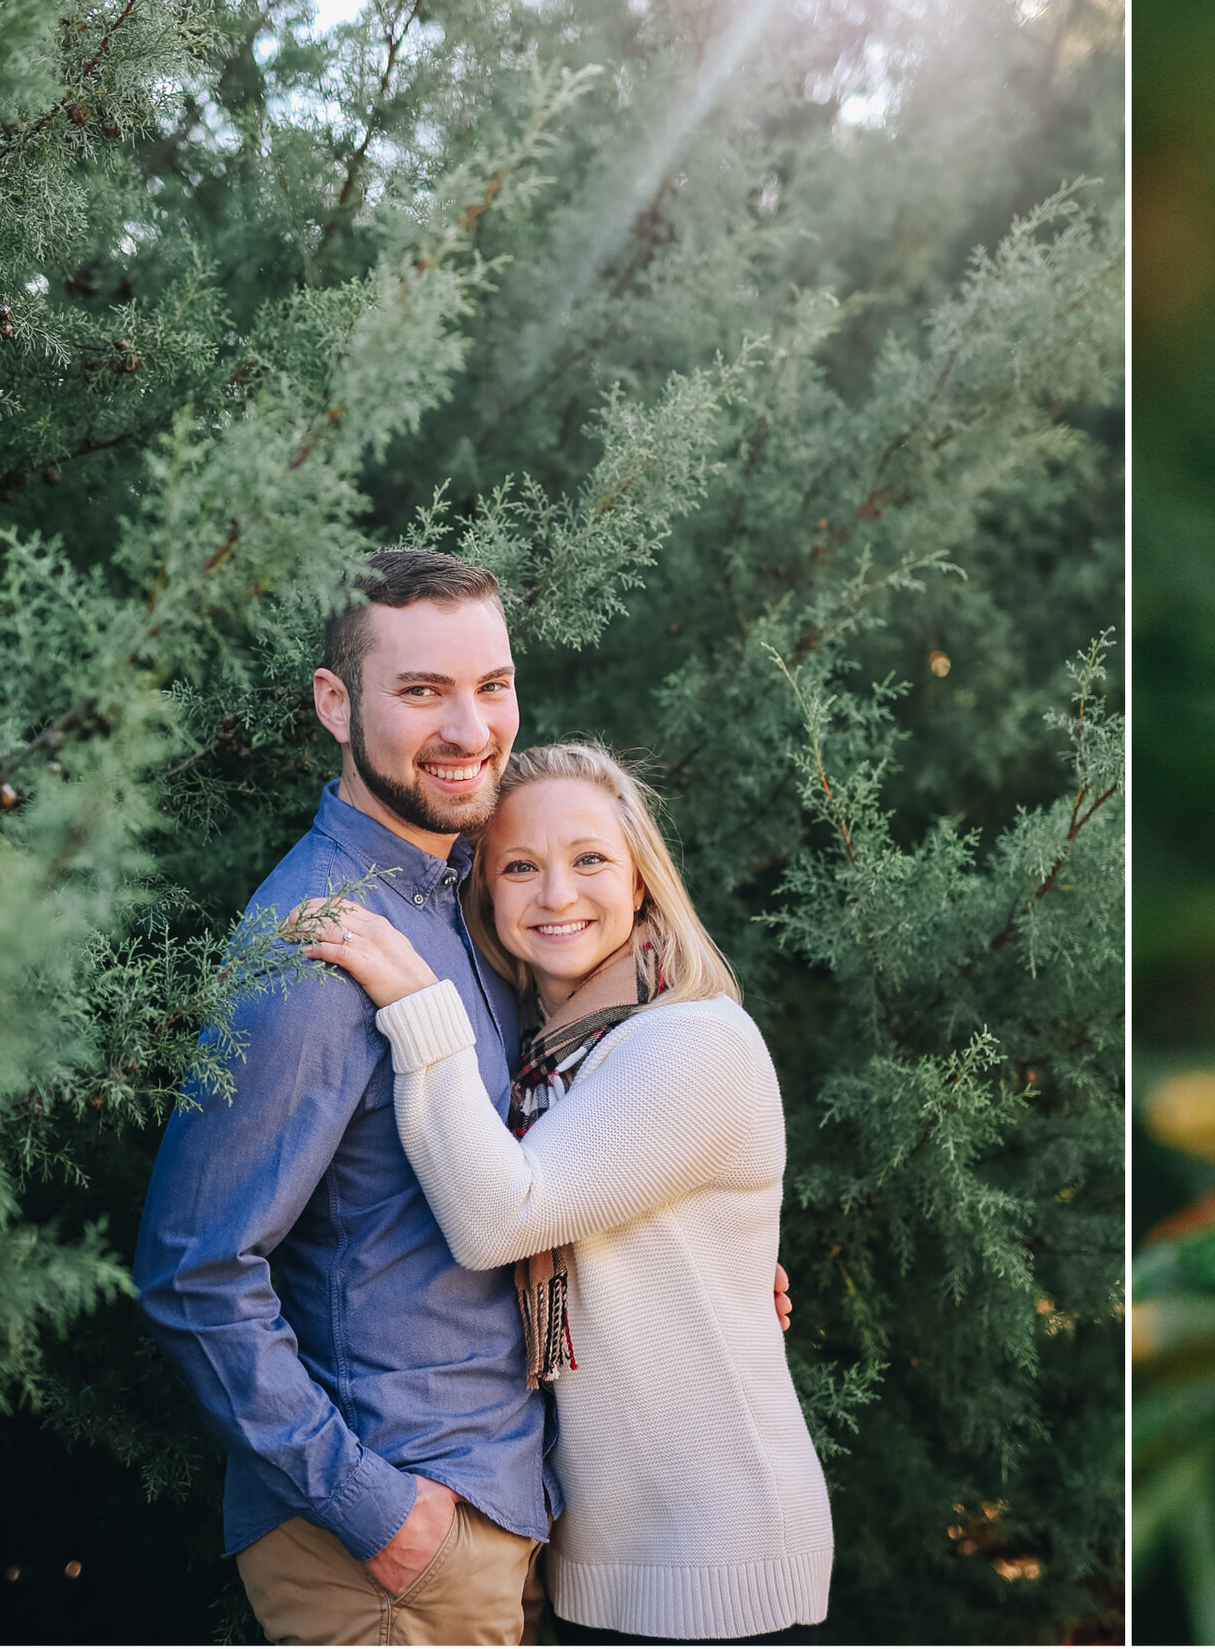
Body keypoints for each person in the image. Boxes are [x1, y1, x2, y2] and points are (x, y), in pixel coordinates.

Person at [133, 549, 789, 1645]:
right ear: (336, 704)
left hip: (496, 1516)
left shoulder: (470, 903)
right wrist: (373, 1510)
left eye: (492, 685)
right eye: (422, 689)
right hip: (390, 1543)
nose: (469, 728)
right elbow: (195, 1265)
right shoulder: (319, 943)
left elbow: (546, 1154)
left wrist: (687, 1257)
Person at [298, 741, 833, 1645]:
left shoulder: (694, 1042)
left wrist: (416, 1004)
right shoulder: (544, 1071)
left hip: (716, 1551)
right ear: (486, 895)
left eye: (589, 859)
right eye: (519, 865)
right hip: (599, 1560)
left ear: (641, 882)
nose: (556, 893)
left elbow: (497, 1215)